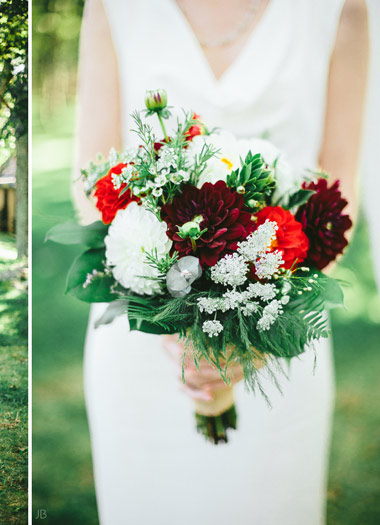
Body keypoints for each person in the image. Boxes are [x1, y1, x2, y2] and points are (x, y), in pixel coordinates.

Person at [72, 0, 368, 523]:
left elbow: (338, 197)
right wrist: (172, 320)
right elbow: (90, 183)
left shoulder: (342, 8)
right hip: (141, 336)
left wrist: (252, 330)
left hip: (279, 338)